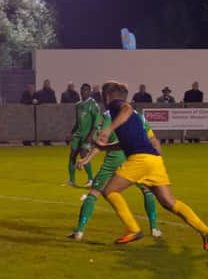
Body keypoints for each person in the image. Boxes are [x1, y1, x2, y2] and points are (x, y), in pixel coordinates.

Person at [95, 80, 208, 247]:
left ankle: (133, 229)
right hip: (154, 160)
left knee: (110, 191)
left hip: (140, 159)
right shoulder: (126, 115)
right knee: (169, 203)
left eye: (102, 95)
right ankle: (205, 231)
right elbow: (128, 141)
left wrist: (108, 129)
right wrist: (105, 148)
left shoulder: (117, 106)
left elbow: (126, 108)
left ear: (107, 95)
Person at [68, 109, 161, 240]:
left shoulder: (108, 115)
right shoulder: (137, 115)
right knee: (147, 190)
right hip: (134, 157)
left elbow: (101, 141)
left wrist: (86, 159)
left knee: (94, 193)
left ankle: (79, 232)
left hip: (114, 158)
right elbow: (151, 138)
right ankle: (154, 228)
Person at [65, 83, 99, 187]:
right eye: (82, 90)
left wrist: (90, 136)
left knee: (84, 154)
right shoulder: (78, 105)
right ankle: (71, 181)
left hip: (87, 135)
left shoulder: (93, 105)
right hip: (78, 134)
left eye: (86, 90)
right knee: (72, 156)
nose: (84, 92)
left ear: (90, 92)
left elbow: (96, 122)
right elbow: (77, 121)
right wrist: (71, 133)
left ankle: (90, 180)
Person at [35, 79, 57, 145]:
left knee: (49, 127)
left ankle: (48, 141)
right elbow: (37, 102)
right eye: (46, 83)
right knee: (43, 127)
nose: (47, 85)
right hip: (42, 114)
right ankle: (43, 140)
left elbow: (54, 102)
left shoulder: (52, 92)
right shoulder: (39, 93)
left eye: (48, 84)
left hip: (50, 114)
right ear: (44, 84)